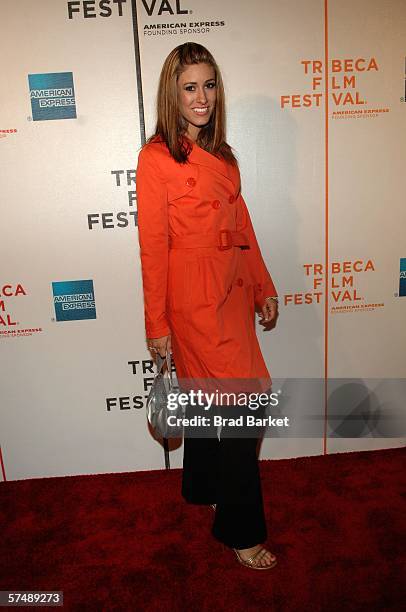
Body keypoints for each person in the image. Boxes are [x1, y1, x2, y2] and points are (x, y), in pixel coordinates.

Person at [136, 42, 279, 570]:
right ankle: (239, 528)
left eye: (209, 85)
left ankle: (201, 486)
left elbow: (243, 230)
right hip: (192, 296)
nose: (202, 98)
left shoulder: (224, 155)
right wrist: (157, 323)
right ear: (172, 93)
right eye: (190, 87)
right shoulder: (155, 159)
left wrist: (262, 286)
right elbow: (153, 247)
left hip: (231, 290)